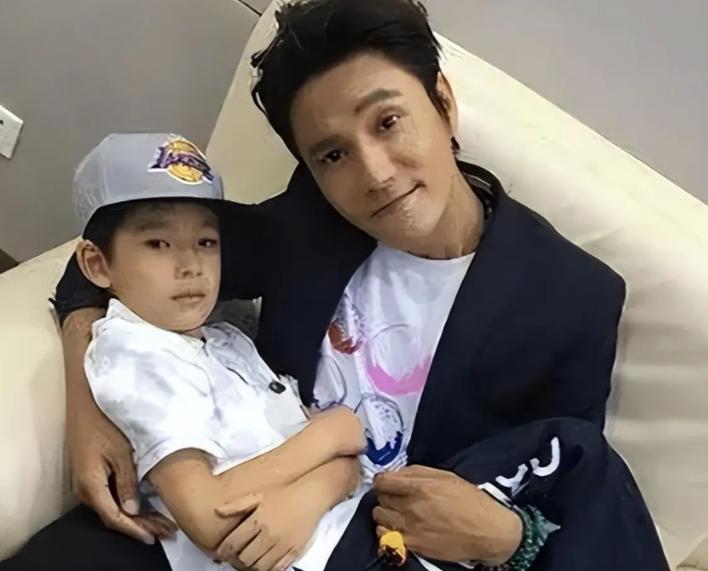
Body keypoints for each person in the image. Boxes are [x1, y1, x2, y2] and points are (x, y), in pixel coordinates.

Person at [1, 1, 669, 570]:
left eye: (387, 122)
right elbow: (115, 256)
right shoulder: (312, 222)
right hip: (209, 519)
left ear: (443, 104)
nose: (374, 173)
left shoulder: (573, 299)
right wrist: (87, 408)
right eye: (333, 154)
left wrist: (508, 537)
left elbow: (567, 494)